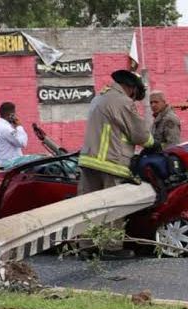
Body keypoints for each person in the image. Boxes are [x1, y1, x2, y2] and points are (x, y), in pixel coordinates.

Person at [77, 69, 155, 258]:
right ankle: (111, 248)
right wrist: (154, 143)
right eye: (135, 91)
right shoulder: (122, 101)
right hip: (111, 162)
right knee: (114, 207)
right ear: (130, 87)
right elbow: (140, 134)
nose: (134, 96)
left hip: (89, 161)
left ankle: (86, 246)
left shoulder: (99, 98)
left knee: (89, 207)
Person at [0, 102, 28, 167]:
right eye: (14, 113)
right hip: (10, 165)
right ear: (11, 115)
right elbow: (22, 143)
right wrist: (19, 127)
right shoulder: (6, 128)